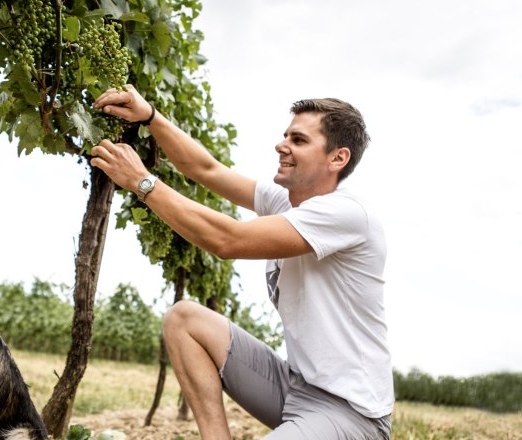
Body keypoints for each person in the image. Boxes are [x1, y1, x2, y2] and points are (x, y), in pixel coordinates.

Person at [90, 85, 393, 439]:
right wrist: (151, 117)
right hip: (294, 388)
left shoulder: (347, 214)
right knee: (184, 319)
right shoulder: (285, 203)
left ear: (337, 158)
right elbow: (206, 169)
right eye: (285, 136)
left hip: (350, 412)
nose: (282, 145)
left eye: (298, 140)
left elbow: (228, 240)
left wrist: (142, 182)